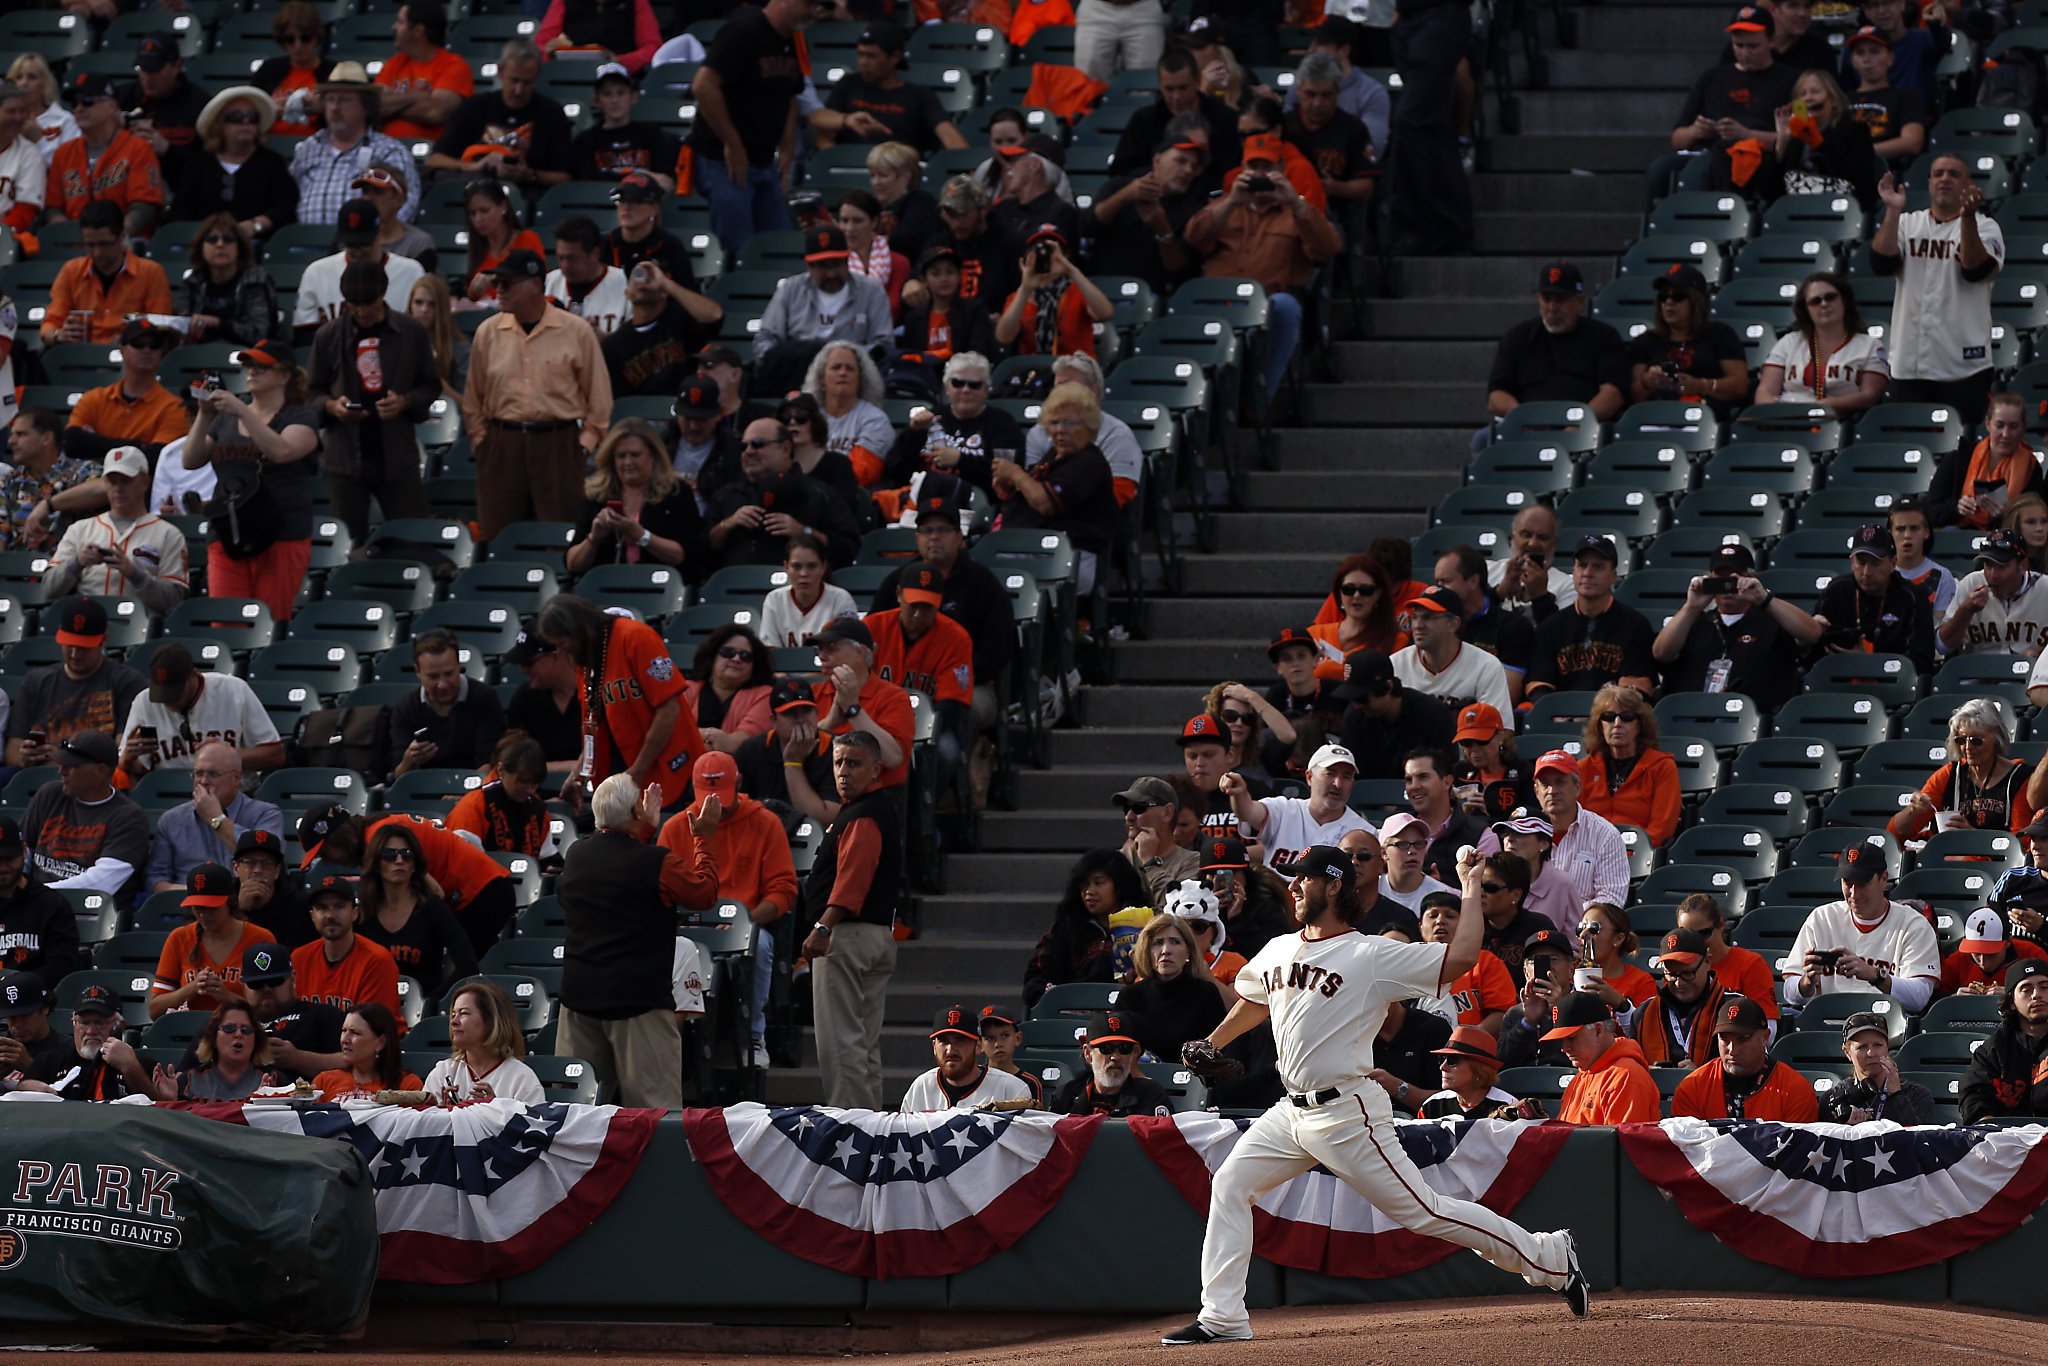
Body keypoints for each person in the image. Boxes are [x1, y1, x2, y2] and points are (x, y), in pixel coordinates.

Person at [1164, 846, 1584, 1346]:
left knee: (1424, 1212)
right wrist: (1213, 1043)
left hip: (1347, 1111)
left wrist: (1469, 887)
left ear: (1334, 884)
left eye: (1304, 878)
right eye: (1292, 879)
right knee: (1231, 1185)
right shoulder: (1277, 948)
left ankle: (1548, 1257)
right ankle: (1223, 1316)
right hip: (1289, 1113)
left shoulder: (1369, 954)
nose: (1294, 886)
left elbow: (1462, 958)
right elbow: (1256, 999)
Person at [556, 771, 717, 1107]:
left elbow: (621, 861)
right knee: (655, 1119)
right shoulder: (655, 862)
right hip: (638, 1006)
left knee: (573, 1118)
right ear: (633, 814)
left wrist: (643, 827)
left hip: (579, 1001)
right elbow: (703, 893)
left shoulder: (575, 855)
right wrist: (703, 838)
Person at [462, 250, 613, 540]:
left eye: (507, 284)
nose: (499, 291)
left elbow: (599, 399)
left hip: (558, 443)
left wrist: (583, 446)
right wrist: (481, 440)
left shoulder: (576, 331)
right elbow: (473, 399)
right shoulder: (487, 332)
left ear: (534, 284)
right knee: (499, 536)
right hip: (502, 442)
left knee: (559, 537)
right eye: (498, 283)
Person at [1183, 131, 1342, 397]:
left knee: (1287, 306)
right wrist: (1233, 201)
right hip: (1215, 303)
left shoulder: (1297, 212)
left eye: (1266, 167)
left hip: (1264, 306)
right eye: (1252, 166)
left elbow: (1329, 248)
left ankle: (1257, 399)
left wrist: (1295, 202)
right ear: (1242, 169)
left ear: (1280, 169)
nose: (1259, 174)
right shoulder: (1224, 204)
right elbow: (1193, 238)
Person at [182, 337, 320, 622]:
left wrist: (243, 410)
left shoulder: (301, 416)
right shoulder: (225, 418)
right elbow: (191, 460)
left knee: (267, 622)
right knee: (225, 622)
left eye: (262, 367)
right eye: (249, 366)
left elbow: (282, 451)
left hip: (281, 534)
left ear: (284, 376)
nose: (252, 372)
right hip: (228, 533)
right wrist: (204, 416)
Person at [802, 731, 903, 1109]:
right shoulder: (867, 809)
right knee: (861, 1045)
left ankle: (850, 1133)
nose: (844, 771)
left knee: (841, 1045)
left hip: (845, 938)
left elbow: (852, 880)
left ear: (876, 768)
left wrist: (823, 926)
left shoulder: (863, 816)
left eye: (854, 763)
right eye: (839, 762)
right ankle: (869, 1127)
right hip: (872, 936)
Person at [309, 261, 442, 542]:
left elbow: (431, 385)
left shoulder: (410, 331)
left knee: (411, 538)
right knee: (347, 543)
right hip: (344, 458)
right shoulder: (328, 335)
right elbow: (312, 392)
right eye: (354, 304)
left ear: (383, 294)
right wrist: (332, 407)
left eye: (368, 303)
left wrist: (405, 402)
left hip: (397, 454)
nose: (362, 311)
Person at [1870, 152, 2005, 430]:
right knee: (1906, 447)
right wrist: (1892, 211)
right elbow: (1881, 264)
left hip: (1963, 366)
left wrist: (1967, 219)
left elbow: (1974, 270)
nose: (1945, 179)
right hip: (1908, 365)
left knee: (1958, 452)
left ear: (1968, 185)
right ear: (1929, 182)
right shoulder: (1907, 223)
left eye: (1954, 174)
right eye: (1939, 173)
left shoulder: (1986, 227)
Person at [535, 593, 705, 810]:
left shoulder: (636, 636)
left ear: (578, 629)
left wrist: (638, 770)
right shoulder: (585, 659)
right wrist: (579, 774)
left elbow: (669, 709)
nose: (561, 651)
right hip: (624, 776)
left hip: (669, 771)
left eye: (562, 642)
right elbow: (592, 725)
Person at [1648, 6, 1796, 209]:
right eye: (1739, 45)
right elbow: (1677, 139)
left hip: (1761, 157)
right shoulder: (1711, 78)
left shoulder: (1791, 80)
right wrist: (1696, 131)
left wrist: (1746, 134)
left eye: (1753, 46)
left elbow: (1796, 141)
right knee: (1660, 168)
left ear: (1771, 41)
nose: (1744, 53)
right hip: (1710, 153)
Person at [683, 0, 803, 250]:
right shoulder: (742, 31)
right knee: (738, 248)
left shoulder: (793, 38)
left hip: (764, 159)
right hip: (723, 159)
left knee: (777, 248)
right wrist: (731, 141)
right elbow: (703, 85)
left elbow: (791, 93)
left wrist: (789, 145)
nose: (815, 12)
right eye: (810, 4)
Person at [992, 382, 1119, 596]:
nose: (1060, 430)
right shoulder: (1054, 457)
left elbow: (1045, 503)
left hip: (1064, 557)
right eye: (1054, 422)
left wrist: (1016, 474)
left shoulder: (1088, 462)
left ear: (1089, 428)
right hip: (1029, 551)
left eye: (1069, 423)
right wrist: (1010, 487)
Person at [1784, 843, 1942, 1013]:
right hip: (1827, 1024)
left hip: (1884, 1029)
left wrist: (1875, 975)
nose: (1854, 894)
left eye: (1862, 884)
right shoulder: (1822, 918)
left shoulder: (1914, 925)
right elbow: (1790, 992)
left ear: (1884, 879)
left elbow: (1918, 998)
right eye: (1847, 883)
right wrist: (1806, 982)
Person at [1478, 750, 1631, 912]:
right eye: (1545, 784)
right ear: (1537, 791)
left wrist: (1562, 912)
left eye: (1560, 782)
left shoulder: (1605, 834)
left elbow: (1611, 899)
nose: (1552, 791)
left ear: (1577, 787)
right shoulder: (1517, 832)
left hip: (1581, 930)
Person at [42, 446, 188, 614]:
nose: (118, 488)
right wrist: (77, 562)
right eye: (112, 481)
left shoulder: (169, 534)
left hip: (141, 629)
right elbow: (48, 590)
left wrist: (133, 573)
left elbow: (174, 601)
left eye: (126, 480)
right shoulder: (80, 529)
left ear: (145, 482)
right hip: (87, 627)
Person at [705, 417, 863, 571]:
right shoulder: (726, 495)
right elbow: (702, 552)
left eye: (758, 444)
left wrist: (804, 533)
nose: (749, 451)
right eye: (743, 447)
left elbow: (847, 548)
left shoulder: (820, 494)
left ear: (786, 448)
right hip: (736, 592)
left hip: (797, 593)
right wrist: (727, 525)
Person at [1485, 261, 1629, 429]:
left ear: (1580, 301)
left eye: (1560, 300)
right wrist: (1522, 418)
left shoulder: (1604, 336)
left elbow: (1613, 394)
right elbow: (1496, 396)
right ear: (1539, 299)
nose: (1552, 308)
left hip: (1583, 428)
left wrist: (1581, 422)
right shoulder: (1518, 337)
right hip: (1526, 426)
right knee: (1481, 440)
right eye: (1546, 299)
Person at [3, 598, 143, 764]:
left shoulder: (126, 682)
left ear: (103, 640)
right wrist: (23, 757)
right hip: (38, 777)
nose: (75, 654)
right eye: (70, 645)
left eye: (84, 647)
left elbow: (121, 751)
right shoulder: (35, 681)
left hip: (93, 779)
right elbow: (13, 748)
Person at [564, 418, 706, 580]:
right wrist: (594, 539)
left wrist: (641, 535)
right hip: (604, 588)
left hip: (659, 589)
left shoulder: (677, 492)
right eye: (621, 456)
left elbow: (684, 556)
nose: (628, 462)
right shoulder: (597, 494)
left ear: (653, 455)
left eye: (635, 455)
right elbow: (572, 564)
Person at [424, 39, 573, 190]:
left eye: (527, 83)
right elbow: (435, 159)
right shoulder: (475, 107)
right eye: (514, 81)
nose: (518, 90)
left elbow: (565, 176)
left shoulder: (551, 114)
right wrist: (477, 166)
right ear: (500, 72)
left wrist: (531, 175)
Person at [23, 731, 150, 906]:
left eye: (72, 765)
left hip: (89, 913)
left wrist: (32, 894)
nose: (62, 771)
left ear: (101, 770)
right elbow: (22, 853)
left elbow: (101, 884)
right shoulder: (49, 794)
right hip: (35, 905)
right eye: (61, 763)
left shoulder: (129, 817)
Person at [1524, 537, 1657, 700]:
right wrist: (1558, 713)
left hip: (1613, 719)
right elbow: (1539, 687)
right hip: (1561, 721)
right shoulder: (1551, 627)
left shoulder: (1635, 625)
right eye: (1582, 565)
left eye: (1598, 567)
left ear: (1613, 576)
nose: (1587, 573)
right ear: (1573, 572)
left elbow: (1635, 691)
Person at [287, 63, 420, 226]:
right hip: (304, 245)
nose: (335, 108)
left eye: (344, 100)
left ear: (365, 107)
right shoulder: (308, 148)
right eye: (330, 100)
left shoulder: (389, 151)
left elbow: (406, 202)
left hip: (364, 245)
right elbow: (286, 198)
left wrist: (374, 238)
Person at [144, 742, 285, 892]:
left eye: (213, 774)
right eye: (198, 773)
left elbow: (265, 861)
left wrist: (216, 818)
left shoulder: (266, 814)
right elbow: (154, 878)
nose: (203, 781)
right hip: (186, 907)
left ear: (236, 778)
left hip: (246, 905)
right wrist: (196, 892)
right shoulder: (171, 820)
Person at [1889, 697, 2033, 842]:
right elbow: (1894, 834)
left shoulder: (2019, 779)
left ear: (1997, 738)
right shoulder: (1950, 773)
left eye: (1977, 741)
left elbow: (2021, 844)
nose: (1968, 748)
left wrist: (1972, 837)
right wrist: (1913, 810)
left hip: (1992, 862)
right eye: (1961, 740)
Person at [41, 199, 173, 347]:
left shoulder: (151, 273)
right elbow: (50, 324)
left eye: (104, 244)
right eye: (90, 245)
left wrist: (130, 338)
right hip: (81, 357)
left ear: (122, 237)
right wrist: (59, 335)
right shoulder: (71, 271)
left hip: (130, 358)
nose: (97, 253)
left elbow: (159, 329)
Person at [1809, 523, 1939, 672]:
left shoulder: (1913, 597)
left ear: (1893, 564)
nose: (1866, 572)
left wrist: (1868, 663)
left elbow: (1921, 663)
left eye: (1875, 563)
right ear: (1852, 563)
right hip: (1836, 681)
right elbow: (1812, 656)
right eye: (1861, 562)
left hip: (1892, 688)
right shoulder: (1836, 591)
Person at [147, 861, 271, 1019]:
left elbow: (270, 1012)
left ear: (229, 902)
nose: (204, 915)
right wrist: (191, 989)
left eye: (212, 907)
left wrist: (227, 997)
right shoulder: (179, 937)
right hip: (188, 1035)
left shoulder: (260, 939)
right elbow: (154, 1010)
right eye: (198, 907)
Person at [1753, 270, 1890, 412]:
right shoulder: (1788, 342)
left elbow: (1869, 396)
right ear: (1806, 310)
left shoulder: (1870, 345)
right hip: (1786, 420)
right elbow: (1765, 391)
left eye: (1830, 297)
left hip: (1839, 422)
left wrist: (1824, 406)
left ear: (1844, 300)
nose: (1824, 304)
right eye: (1815, 301)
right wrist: (1774, 413)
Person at [46, 73, 162, 234]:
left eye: (88, 101)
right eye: (74, 103)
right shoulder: (63, 153)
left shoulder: (138, 149)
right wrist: (68, 235)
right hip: (73, 246)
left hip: (124, 244)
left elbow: (144, 205)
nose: (79, 109)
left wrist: (118, 235)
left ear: (112, 107)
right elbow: (53, 208)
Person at [1025, 848, 1144, 1007]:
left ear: (1120, 885)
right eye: (1084, 885)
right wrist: (1058, 999)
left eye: (1099, 883)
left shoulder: (1142, 926)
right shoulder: (1066, 928)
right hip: (1071, 1015)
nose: (1089, 891)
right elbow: (1037, 976)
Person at [297, 198, 428, 340]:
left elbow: (421, 334)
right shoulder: (316, 273)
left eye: (364, 243)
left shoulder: (411, 272)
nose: (358, 252)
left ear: (380, 232)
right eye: (351, 245)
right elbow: (304, 339)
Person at [1670, 996, 1819, 1121]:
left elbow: (1798, 1153)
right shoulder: (1692, 1088)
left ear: (1765, 1037)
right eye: (1725, 1040)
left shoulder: (1795, 1091)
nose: (1732, 1050)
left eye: (1743, 1039)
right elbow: (1685, 1152)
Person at [1088, 139, 1206, 296]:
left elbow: (1180, 271)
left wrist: (1163, 229)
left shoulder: (1192, 210)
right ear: (1157, 160)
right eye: (1181, 161)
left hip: (1148, 296)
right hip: (1100, 288)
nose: (1188, 170)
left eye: (1194, 166)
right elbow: (1087, 227)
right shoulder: (1118, 186)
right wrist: (1124, 196)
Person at [1628, 265, 1750, 416]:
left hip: (1703, 417)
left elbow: (1739, 386)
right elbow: (1632, 398)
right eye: (1663, 297)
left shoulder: (1720, 334)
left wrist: (1701, 385)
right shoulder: (1646, 341)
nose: (1669, 302)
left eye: (1678, 296)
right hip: (1656, 415)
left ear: (1696, 301)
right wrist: (1647, 382)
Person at [1574, 684, 1682, 849]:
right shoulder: (1582, 769)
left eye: (1627, 717)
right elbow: (1572, 823)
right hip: (1589, 856)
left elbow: (1662, 828)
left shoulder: (1662, 767)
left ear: (1639, 726)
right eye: (1608, 717)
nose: (1617, 723)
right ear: (1599, 725)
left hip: (1638, 856)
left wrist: (1625, 853)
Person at [290, 875, 403, 1021]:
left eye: (339, 906)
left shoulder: (377, 960)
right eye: (322, 908)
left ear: (354, 913)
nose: (330, 915)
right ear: (312, 916)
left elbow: (370, 1031)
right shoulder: (299, 958)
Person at [1121, 911, 1230, 1060]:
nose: (1166, 950)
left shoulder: (1205, 993)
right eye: (1158, 943)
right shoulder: (1130, 996)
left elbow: (1222, 1051)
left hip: (1195, 1080)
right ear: (1147, 951)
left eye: (1175, 942)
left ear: (1188, 952)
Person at [1335, 649, 1457, 782]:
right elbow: (1350, 768)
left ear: (1388, 686)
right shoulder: (1354, 716)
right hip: (1365, 797)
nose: (1357, 705)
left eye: (1361, 698)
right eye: (1351, 698)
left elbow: (1446, 770)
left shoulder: (1432, 714)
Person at [1927, 392, 2042, 532]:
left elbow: (2036, 522)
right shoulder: (1957, 460)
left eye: (2013, 427)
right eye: (1999, 425)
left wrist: (2007, 515)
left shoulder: (2031, 467)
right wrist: (1957, 507)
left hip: (2005, 540)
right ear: (1988, 424)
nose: (2005, 434)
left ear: (2023, 428)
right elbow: (1930, 512)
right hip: (1959, 536)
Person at [1544, 990, 1660, 1124]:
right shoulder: (1580, 1077)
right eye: (1561, 1041)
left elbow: (1624, 1143)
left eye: (1571, 1038)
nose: (1564, 1048)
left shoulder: (1626, 1077)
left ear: (1598, 1030)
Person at [1392, 585, 1512, 715]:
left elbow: (1502, 731)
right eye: (1415, 617)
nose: (1418, 626)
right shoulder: (1396, 664)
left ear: (1453, 624)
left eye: (1427, 617)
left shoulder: (1486, 666)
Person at [1768, 67, 1877, 207]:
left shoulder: (1856, 131)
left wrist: (1818, 143)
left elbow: (1858, 178)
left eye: (1815, 92)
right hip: (1796, 210)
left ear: (1834, 101)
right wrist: (1782, 142)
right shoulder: (1794, 138)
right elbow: (1771, 194)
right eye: (1802, 94)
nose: (1808, 98)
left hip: (1840, 209)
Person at [1633, 927, 1737, 1069]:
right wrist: (1644, 1072)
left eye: (1687, 973)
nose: (1678, 982)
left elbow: (1750, 1069)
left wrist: (1703, 1076)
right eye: (1671, 974)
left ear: (1707, 962)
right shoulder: (1643, 1014)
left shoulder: (1733, 1009)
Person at [1416, 890, 1515, 1036]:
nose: (1440, 921)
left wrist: (1464, 1043)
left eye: (1450, 916)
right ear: (1420, 926)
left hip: (1473, 1053)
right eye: (1433, 915)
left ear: (1463, 925)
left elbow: (1502, 1014)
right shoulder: (1410, 962)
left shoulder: (1485, 961)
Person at [902, 1004, 1035, 1111]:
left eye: (960, 1040)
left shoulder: (1012, 1089)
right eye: (943, 1041)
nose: (950, 1049)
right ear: (934, 1047)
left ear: (978, 1046)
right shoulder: (921, 1087)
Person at [1960, 959, 2048, 1120]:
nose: (2036, 995)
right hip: (2007, 1137)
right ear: (2012, 1003)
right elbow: (1974, 1095)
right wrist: (1986, 1122)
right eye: (2026, 990)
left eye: (2044, 987)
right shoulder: (1994, 1048)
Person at [174, 215, 278, 349]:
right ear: (201, 247)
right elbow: (181, 328)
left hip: (246, 358)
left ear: (239, 247)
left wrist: (218, 323)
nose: (220, 244)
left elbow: (258, 334)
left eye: (228, 239)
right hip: (197, 356)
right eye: (212, 239)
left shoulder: (256, 280)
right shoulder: (193, 281)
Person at [1940, 528, 2048, 658]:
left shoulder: (2044, 588)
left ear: (2023, 566)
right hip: (1976, 674)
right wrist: (1966, 610)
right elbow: (1942, 646)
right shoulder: (1971, 583)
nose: (1992, 575)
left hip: (2031, 676)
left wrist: (2040, 655)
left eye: (2001, 567)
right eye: (1988, 565)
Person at [29, 985, 150, 1099]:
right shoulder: (49, 1061)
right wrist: (37, 1089)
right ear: (73, 1024)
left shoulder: (140, 1065)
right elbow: (23, 1088)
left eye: (100, 1023)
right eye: (84, 1023)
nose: (91, 1031)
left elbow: (156, 1105)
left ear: (120, 1026)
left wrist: (130, 1067)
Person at [1675, 893, 1780, 1023]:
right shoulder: (1675, 968)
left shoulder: (1750, 964)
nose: (1695, 942)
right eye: (1686, 935)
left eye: (1703, 934)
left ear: (1721, 924)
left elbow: (1767, 1028)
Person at [0, 819, 78, 993]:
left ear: (24, 852)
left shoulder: (51, 905)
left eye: (8, 858)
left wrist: (16, 987)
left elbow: (62, 967)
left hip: (31, 1003)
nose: (2, 867)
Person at [377, 0, 472, 144]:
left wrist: (392, 107)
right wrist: (416, 97)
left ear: (418, 31)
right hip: (385, 150)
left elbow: (434, 112)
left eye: (400, 22)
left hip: (426, 155)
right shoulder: (395, 63)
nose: (394, 27)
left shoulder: (454, 66)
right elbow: (374, 106)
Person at [1823, 1009, 1938, 1123]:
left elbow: (1920, 1139)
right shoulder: (1833, 1100)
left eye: (1878, 1045)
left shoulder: (1917, 1096)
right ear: (1847, 1052)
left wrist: (1897, 1097)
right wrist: (1847, 1130)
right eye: (1862, 1047)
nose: (1871, 1053)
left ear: (1887, 1047)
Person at [1053, 1012, 1176, 1117]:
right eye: (1106, 1048)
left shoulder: (1151, 1095)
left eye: (1124, 1048)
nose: (1115, 1057)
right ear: (1088, 1054)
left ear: (1134, 1053)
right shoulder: (1066, 1095)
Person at [572, 63, 675, 187]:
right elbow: (587, 185)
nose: (615, 100)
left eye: (620, 93)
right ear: (597, 101)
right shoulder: (586, 141)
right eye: (607, 94)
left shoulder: (651, 134)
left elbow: (667, 181)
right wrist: (642, 177)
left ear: (633, 97)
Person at [155, 998, 273, 1101]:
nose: (238, 1034)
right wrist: (171, 1100)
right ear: (214, 1038)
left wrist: (271, 1102)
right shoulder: (188, 1081)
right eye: (229, 1028)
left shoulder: (272, 1080)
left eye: (246, 1029)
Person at [681, 626, 773, 756]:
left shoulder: (765, 695)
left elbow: (736, 744)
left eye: (745, 656)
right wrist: (711, 735)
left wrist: (690, 739)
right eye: (727, 652)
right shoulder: (685, 689)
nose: (736, 659)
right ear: (712, 657)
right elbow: (667, 732)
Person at [1844, 24, 1927, 167]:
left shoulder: (1906, 97)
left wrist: (1864, 152)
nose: (1867, 58)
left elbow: (1912, 142)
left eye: (1874, 51)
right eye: (1860, 52)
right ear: (1852, 61)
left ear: (1890, 58)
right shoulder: (1841, 100)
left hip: (1889, 171)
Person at [456, 179, 545, 307]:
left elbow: (539, 285)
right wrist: (473, 293)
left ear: (503, 207)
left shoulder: (528, 239)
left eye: (485, 211)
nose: (478, 219)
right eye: (472, 213)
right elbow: (472, 299)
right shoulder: (478, 248)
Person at [252, 3, 332, 140]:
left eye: (305, 38)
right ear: (282, 42)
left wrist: (323, 108)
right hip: (270, 145)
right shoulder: (269, 69)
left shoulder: (333, 71)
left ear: (317, 37)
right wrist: (269, 110)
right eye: (290, 39)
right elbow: (250, 110)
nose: (298, 45)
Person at [1115, 777, 1200, 904]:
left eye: (1139, 808)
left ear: (1167, 812)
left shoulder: (1191, 862)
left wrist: (1150, 862)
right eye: (1126, 809)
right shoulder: (1118, 860)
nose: (1129, 817)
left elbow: (1179, 910)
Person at [1494, 810, 1577, 939]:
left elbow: (1575, 942)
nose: (1509, 839)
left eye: (1519, 833)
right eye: (1506, 833)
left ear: (1543, 844)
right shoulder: (1490, 880)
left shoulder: (1563, 884)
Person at [312, 1003, 421, 1101]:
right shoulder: (324, 1082)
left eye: (355, 1033)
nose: (344, 1040)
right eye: (344, 1030)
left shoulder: (408, 1086)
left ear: (381, 1042)